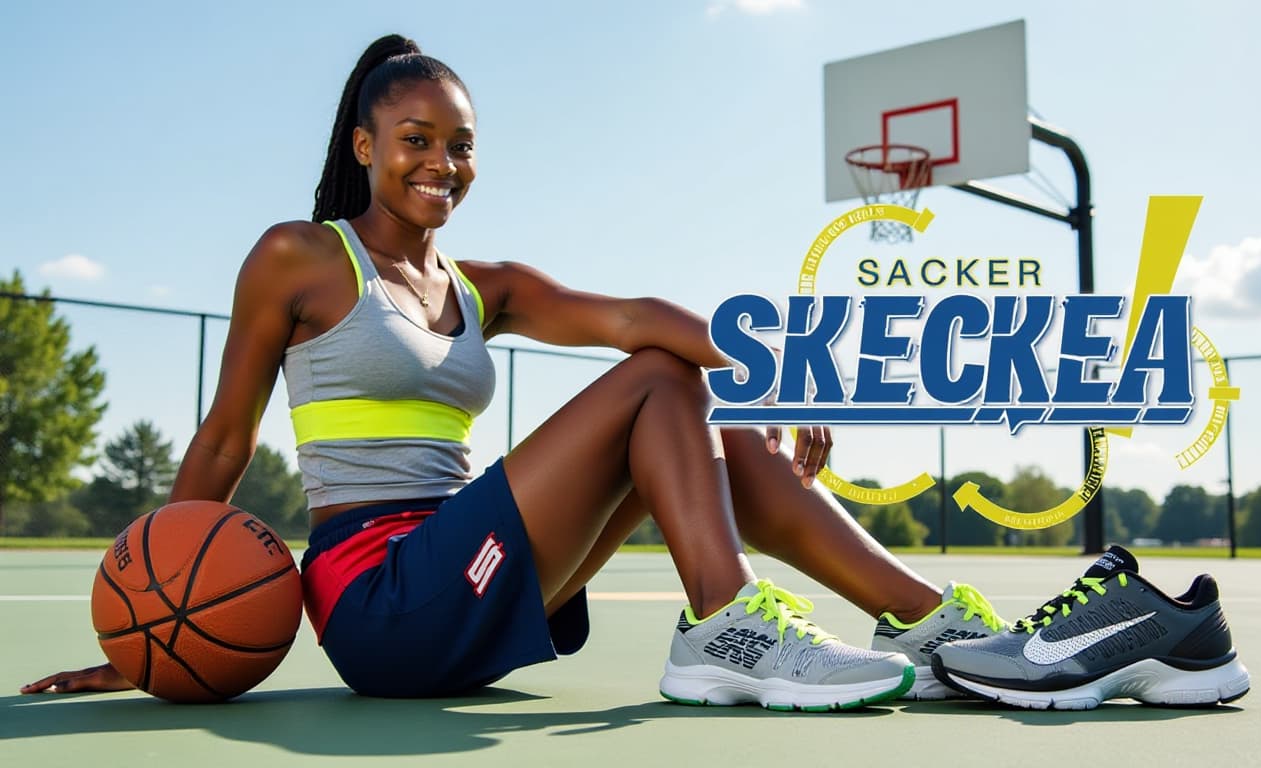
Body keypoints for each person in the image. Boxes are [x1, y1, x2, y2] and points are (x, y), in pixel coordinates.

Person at [21, 34, 1006, 708]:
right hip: (382, 598)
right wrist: (143, 632)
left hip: (469, 568)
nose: (440, 163)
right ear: (365, 147)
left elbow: (634, 315)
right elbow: (226, 437)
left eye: (460, 146)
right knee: (659, 379)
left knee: (700, 399)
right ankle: (724, 625)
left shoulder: (481, 285)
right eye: (415, 142)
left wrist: (789, 373)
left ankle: (930, 629)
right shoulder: (301, 258)